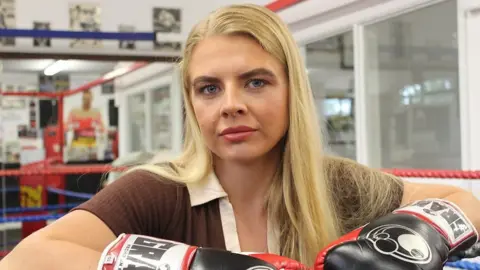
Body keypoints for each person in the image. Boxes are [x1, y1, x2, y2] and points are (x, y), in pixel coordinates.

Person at [1, 4, 479, 270]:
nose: (230, 104)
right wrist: (181, 268)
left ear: (293, 89)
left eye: (255, 82)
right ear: (192, 104)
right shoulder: (158, 190)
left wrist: (418, 234)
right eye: (209, 88)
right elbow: (27, 259)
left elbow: (466, 199)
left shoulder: (339, 184)